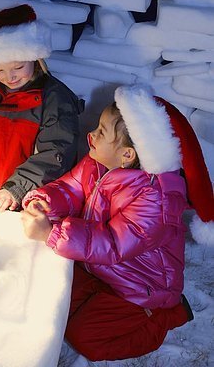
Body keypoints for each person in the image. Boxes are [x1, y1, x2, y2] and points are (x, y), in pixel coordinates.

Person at [21, 84, 214, 362]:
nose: (92, 135)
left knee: (84, 337)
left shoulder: (155, 200)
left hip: (139, 288)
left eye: (101, 132)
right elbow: (71, 188)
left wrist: (52, 233)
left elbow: (112, 243)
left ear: (127, 155)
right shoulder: (97, 162)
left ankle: (167, 316)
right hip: (102, 270)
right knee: (51, 297)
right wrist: (45, 200)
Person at [0, 4, 83, 213]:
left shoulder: (54, 98)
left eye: (18, 67)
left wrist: (16, 189)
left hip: (35, 200)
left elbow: (56, 152)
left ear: (35, 59)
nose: (10, 77)